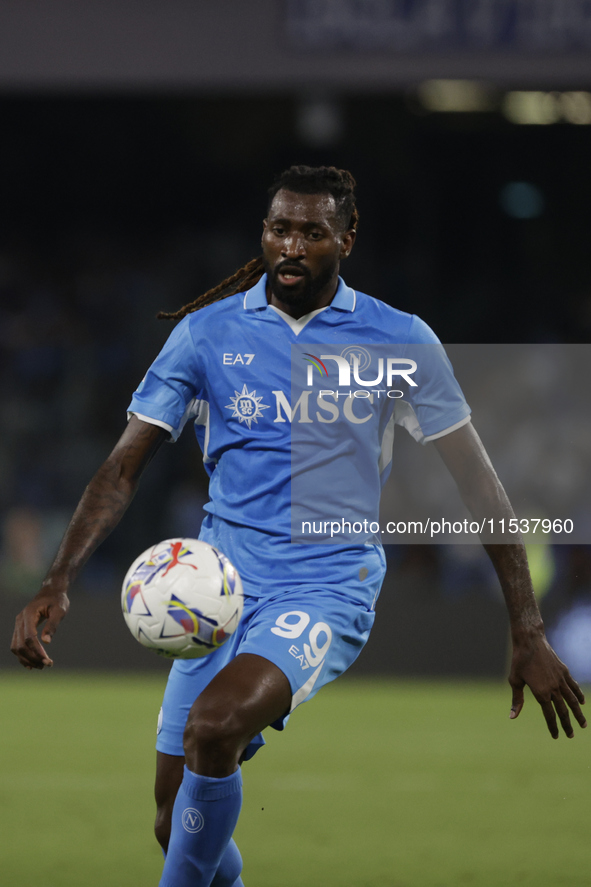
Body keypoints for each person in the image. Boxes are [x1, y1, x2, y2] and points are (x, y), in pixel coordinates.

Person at [11, 165, 586, 887]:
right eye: (278, 228)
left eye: (311, 232)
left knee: (215, 726)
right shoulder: (206, 334)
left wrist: (526, 626)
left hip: (324, 583)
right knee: (172, 818)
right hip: (215, 591)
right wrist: (57, 579)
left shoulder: (398, 340)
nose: (290, 245)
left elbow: (478, 484)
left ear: (346, 238)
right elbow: (121, 467)